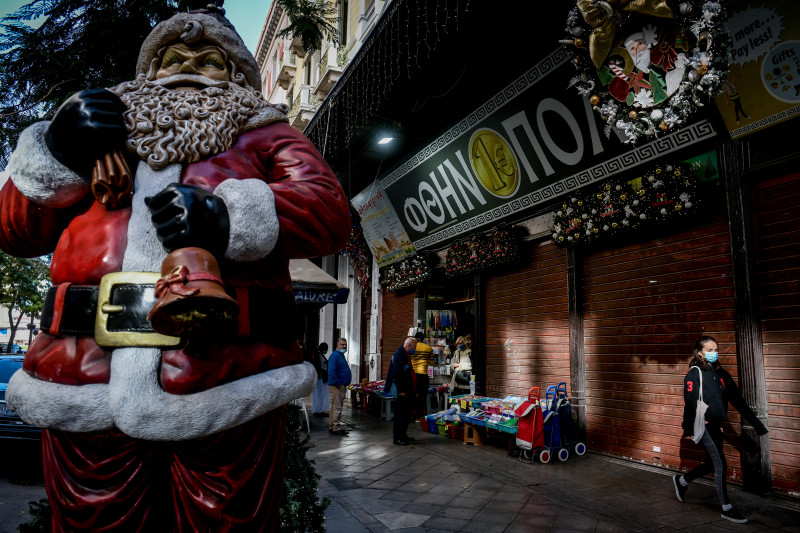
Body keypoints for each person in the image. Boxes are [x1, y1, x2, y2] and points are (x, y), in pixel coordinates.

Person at [0, 6, 350, 530]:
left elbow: (328, 212)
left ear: (236, 76)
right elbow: (15, 231)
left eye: (207, 60)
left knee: (226, 523)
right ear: (148, 70)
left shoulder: (266, 134)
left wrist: (226, 215)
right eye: (172, 58)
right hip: (81, 374)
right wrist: (58, 147)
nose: (187, 67)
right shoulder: (94, 132)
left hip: (226, 377)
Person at [673, 336, 768, 524]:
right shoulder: (694, 374)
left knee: (711, 464)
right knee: (721, 465)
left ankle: (682, 481)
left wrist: (758, 425)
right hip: (704, 426)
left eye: (716, 349)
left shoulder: (721, 374)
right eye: (709, 350)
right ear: (700, 353)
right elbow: (690, 403)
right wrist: (689, 427)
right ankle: (726, 508)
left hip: (716, 426)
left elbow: (738, 401)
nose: (714, 353)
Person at [384, 336, 417, 445]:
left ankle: (403, 435)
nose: (415, 349)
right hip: (402, 391)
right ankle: (398, 438)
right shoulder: (399, 354)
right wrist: (401, 390)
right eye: (414, 347)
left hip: (407, 390)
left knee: (406, 414)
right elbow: (397, 373)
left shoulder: (405, 354)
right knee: (400, 415)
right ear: (409, 345)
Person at [327, 337, 352, 435]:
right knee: (337, 407)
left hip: (339, 385)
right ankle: (336, 428)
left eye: (345, 345)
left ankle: (332, 426)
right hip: (337, 386)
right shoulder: (335, 356)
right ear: (337, 345)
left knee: (334, 406)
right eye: (342, 345)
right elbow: (331, 372)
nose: (344, 346)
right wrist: (338, 384)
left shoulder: (340, 355)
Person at [412, 331, 433, 418]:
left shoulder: (412, 348)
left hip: (413, 374)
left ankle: (413, 414)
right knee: (422, 395)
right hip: (423, 374)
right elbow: (432, 363)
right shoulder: (428, 348)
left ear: (416, 339)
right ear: (423, 339)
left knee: (413, 394)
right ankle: (421, 415)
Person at [311, 343, 330, 418]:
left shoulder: (321, 355)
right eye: (325, 349)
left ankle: (320, 410)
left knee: (321, 395)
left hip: (322, 378)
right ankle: (318, 411)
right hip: (319, 378)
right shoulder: (318, 356)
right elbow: (318, 366)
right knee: (318, 395)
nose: (326, 350)